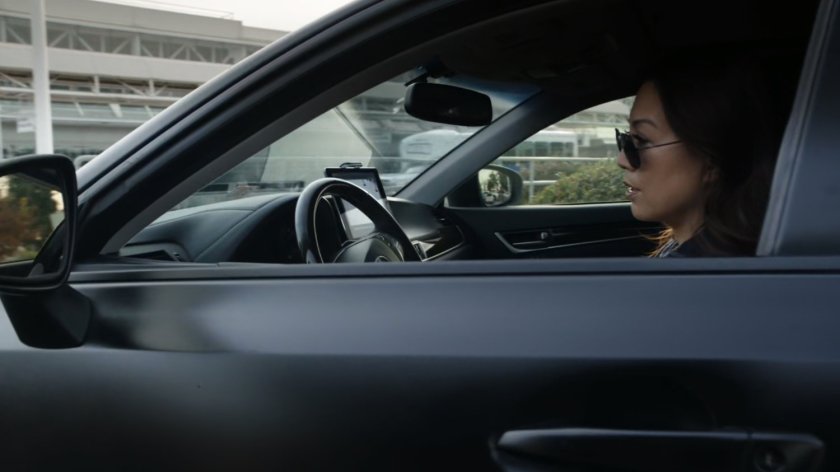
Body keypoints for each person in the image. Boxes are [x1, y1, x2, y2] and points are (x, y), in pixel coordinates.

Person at [616, 52, 797, 257]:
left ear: (712, 161)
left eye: (641, 140)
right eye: (626, 139)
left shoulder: (702, 274)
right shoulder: (695, 255)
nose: (622, 160)